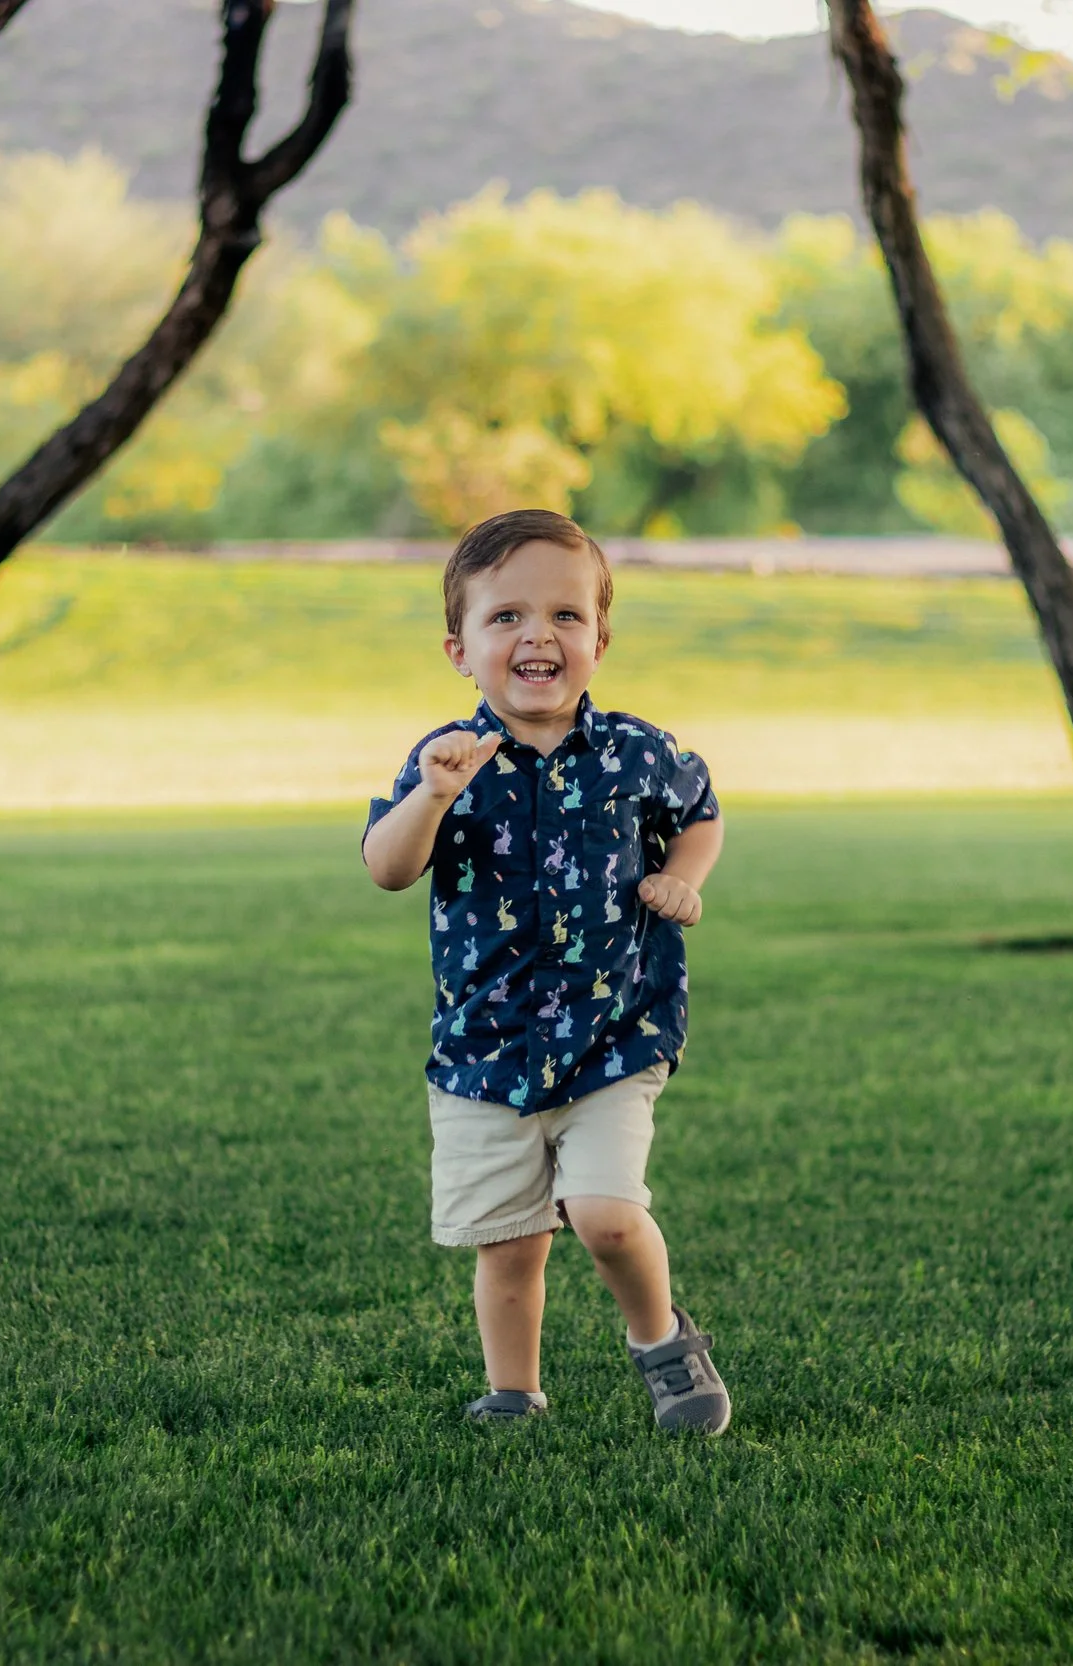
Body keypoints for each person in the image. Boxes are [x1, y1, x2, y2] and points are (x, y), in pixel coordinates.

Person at [363, 508, 731, 1433]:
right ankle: (514, 1391)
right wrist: (434, 796)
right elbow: (388, 866)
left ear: (601, 639)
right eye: (507, 618)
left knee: (605, 1214)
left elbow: (701, 810)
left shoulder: (637, 751)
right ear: (460, 648)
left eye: (566, 617)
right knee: (511, 1240)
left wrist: (681, 879)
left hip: (616, 1033)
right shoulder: (444, 760)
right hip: (487, 1050)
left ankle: (664, 1344)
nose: (539, 636)